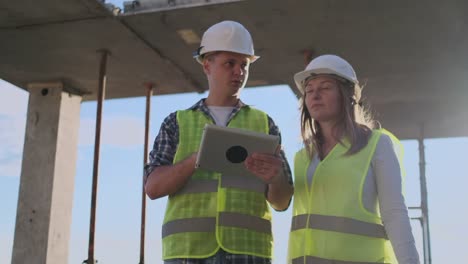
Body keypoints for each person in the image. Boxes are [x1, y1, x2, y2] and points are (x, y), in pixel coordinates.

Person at [144, 20, 294, 264]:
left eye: (244, 65)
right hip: (187, 252)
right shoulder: (176, 123)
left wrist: (275, 178)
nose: (239, 72)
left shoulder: (265, 124)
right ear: (207, 66)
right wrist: (194, 160)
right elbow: (153, 188)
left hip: (249, 251)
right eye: (230, 64)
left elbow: (282, 201)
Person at [288, 54, 420, 264]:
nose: (315, 95)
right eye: (309, 89)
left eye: (325, 87)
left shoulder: (377, 145)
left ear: (348, 94)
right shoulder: (302, 158)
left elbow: (395, 214)